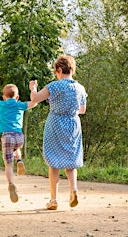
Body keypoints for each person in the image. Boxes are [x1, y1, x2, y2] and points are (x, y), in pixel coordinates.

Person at [29, 55, 87, 210]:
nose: (56, 75)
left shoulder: (55, 86)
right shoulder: (80, 88)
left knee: (53, 162)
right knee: (71, 160)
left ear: (60, 70)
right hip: (73, 124)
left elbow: (35, 99)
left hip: (56, 123)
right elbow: (82, 110)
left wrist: (33, 88)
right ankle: (73, 190)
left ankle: (53, 199)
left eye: (56, 72)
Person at [0, 79, 37, 203]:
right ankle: (19, 160)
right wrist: (33, 88)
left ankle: (11, 184)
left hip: (7, 136)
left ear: (4, 97)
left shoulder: (1, 104)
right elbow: (34, 102)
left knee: (8, 165)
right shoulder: (20, 105)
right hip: (19, 136)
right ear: (17, 97)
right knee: (16, 148)